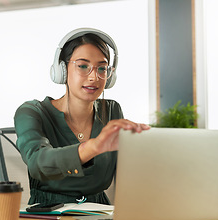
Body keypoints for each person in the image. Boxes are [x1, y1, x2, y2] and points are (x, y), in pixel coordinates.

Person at [14, 28, 150, 205]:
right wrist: (94, 146)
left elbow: (128, 173)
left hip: (100, 213)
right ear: (61, 70)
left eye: (102, 68)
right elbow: (37, 164)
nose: (94, 77)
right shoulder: (32, 112)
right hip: (49, 215)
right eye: (83, 66)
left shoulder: (112, 110)